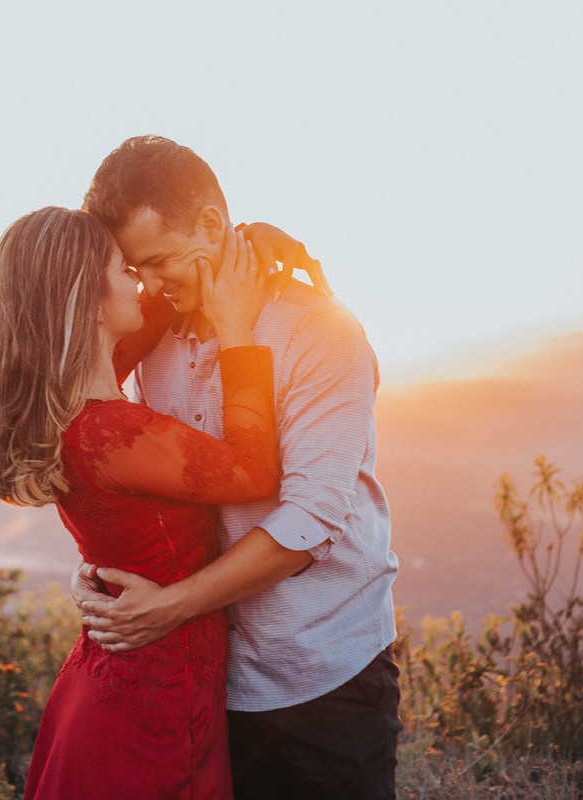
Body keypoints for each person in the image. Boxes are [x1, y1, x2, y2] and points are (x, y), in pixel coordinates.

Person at [75, 135, 402, 800]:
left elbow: (310, 521)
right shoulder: (155, 335)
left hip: (321, 678)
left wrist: (169, 608)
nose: (151, 286)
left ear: (211, 224)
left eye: (161, 261)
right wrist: (103, 569)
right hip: (202, 680)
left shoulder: (319, 331)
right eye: (136, 269)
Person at [0, 205, 302, 800]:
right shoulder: (113, 433)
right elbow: (254, 471)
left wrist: (230, 246)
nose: (142, 281)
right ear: (88, 300)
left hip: (112, 688)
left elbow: (153, 309)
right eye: (126, 269)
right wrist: (236, 326)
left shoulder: (62, 401)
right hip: (153, 717)